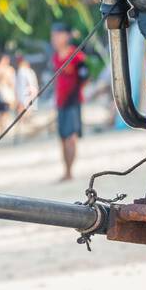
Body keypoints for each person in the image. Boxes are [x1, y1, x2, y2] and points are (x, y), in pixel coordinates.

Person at [50, 23, 88, 181]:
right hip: (60, 101)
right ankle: (66, 170)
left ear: (66, 36)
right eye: (53, 36)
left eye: (57, 35)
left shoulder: (75, 55)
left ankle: (70, 171)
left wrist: (76, 91)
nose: (54, 39)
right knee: (62, 137)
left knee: (71, 137)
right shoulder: (55, 57)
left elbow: (84, 75)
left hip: (73, 101)